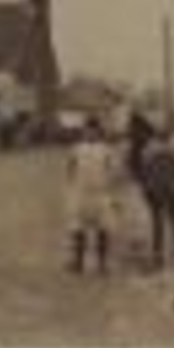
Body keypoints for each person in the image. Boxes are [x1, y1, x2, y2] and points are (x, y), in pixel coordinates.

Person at [65, 116, 119, 275]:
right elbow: (70, 170)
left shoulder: (106, 149)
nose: (90, 134)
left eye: (93, 131)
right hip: (81, 192)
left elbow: (113, 171)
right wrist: (73, 188)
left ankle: (102, 264)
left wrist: (111, 191)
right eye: (87, 131)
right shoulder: (76, 149)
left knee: (104, 228)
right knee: (78, 228)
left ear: (98, 132)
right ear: (83, 132)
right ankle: (78, 262)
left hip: (101, 193)